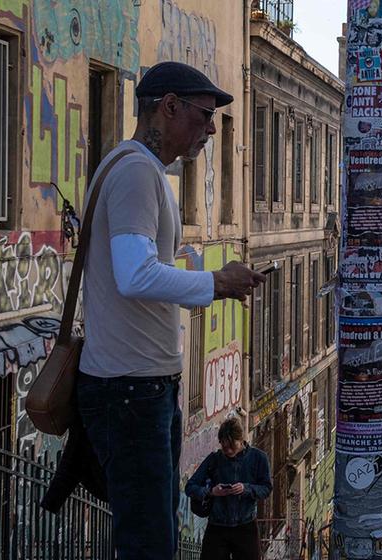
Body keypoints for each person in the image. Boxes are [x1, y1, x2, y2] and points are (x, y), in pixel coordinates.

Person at [76, 61, 264, 560]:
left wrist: (212, 275)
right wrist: (214, 281)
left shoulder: (137, 168)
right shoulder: (137, 172)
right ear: (170, 106)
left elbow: (144, 266)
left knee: (150, 526)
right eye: (204, 116)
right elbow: (134, 274)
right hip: (131, 390)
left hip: (139, 387)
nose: (209, 130)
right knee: (149, 540)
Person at [185, 418, 273, 559]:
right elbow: (190, 487)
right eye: (224, 447)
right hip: (217, 527)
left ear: (241, 440)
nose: (228, 451)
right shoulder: (214, 459)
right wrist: (211, 492)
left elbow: (267, 488)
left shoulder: (259, 458)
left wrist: (246, 488)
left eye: (232, 446)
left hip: (246, 526)